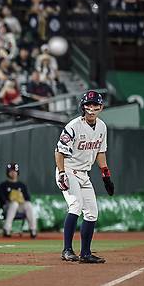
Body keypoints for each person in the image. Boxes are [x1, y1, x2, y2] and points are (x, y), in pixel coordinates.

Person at [54, 90, 115, 264]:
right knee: (76, 205)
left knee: (92, 212)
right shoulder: (73, 126)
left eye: (95, 105)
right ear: (83, 107)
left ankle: (86, 253)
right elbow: (58, 152)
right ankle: (67, 250)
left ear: (101, 107)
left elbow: (100, 153)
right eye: (88, 105)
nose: (92, 108)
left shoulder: (102, 127)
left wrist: (106, 176)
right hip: (68, 168)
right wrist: (62, 173)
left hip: (83, 173)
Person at [0, 163, 38, 238]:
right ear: (8, 172)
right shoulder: (3, 185)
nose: (13, 173)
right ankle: (7, 229)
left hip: (20, 206)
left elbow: (27, 198)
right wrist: (10, 199)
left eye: (15, 171)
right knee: (14, 204)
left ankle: (33, 229)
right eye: (11, 171)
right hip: (8, 207)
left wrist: (20, 197)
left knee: (28, 205)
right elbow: (1, 199)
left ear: (17, 172)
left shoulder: (21, 185)